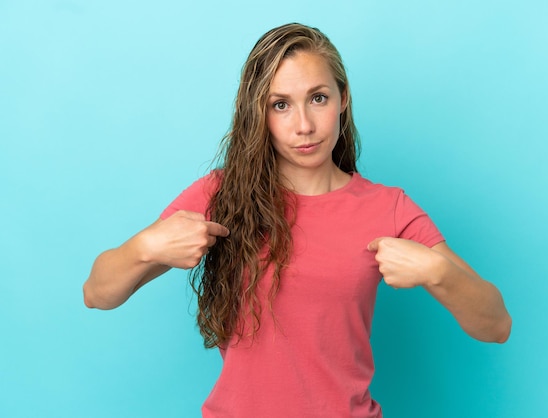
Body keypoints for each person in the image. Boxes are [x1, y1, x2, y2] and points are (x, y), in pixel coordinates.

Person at [83, 22, 511, 418]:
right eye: (281, 105)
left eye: (318, 98)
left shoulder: (389, 208)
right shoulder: (220, 194)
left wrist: (438, 272)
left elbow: (496, 325)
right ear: (259, 113)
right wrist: (144, 248)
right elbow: (97, 293)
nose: (303, 125)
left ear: (343, 98)